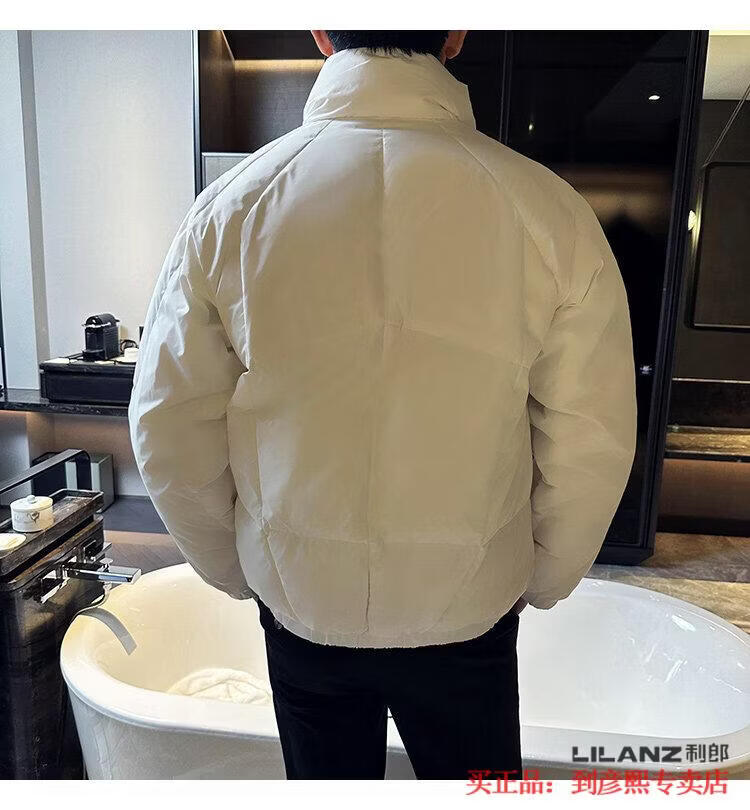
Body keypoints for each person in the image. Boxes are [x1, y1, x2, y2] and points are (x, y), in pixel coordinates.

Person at [128, 30, 637, 780]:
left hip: (302, 600)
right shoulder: (549, 212)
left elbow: (169, 429)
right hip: (468, 603)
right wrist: (543, 577)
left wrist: (242, 569)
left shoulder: (228, 211)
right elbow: (590, 438)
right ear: (456, 32)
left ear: (320, 31)